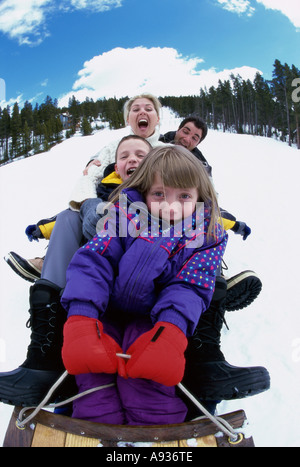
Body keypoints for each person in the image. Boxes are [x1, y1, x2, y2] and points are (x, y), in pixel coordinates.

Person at [60, 145, 228, 425]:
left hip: (154, 321)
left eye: (183, 195)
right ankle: (95, 431)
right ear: (145, 192)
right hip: (107, 312)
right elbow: (94, 262)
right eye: (159, 194)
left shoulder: (205, 235)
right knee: (93, 372)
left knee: (148, 377)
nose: (170, 205)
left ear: (200, 197)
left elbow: (190, 286)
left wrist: (170, 331)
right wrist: (82, 319)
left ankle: (157, 435)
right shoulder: (124, 218)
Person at [0, 134, 154, 407]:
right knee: (67, 216)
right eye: (124, 156)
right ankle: (45, 357)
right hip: (95, 275)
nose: (132, 159)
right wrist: (45, 226)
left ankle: (200, 351)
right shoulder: (99, 192)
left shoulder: (164, 192)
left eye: (141, 155)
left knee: (191, 215)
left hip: (146, 281)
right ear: (115, 167)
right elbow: (74, 214)